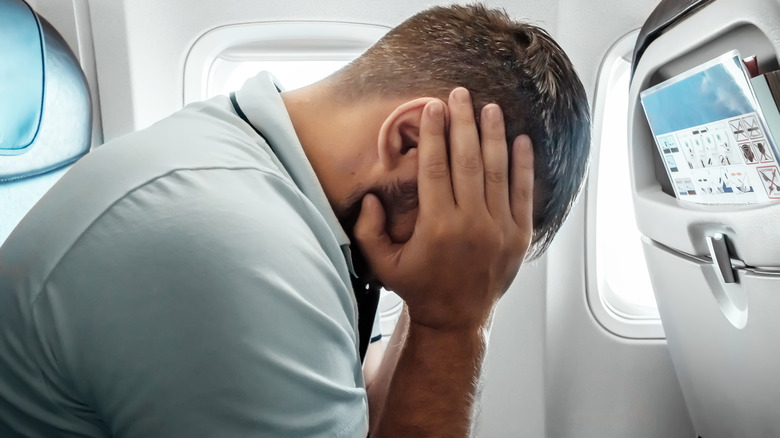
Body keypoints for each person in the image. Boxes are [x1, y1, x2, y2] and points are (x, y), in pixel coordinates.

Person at [0, 4, 589, 437]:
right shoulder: (232, 248)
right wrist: (457, 323)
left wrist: (437, 307)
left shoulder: (277, 177)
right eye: (477, 217)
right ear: (411, 140)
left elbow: (367, 416)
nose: (472, 251)